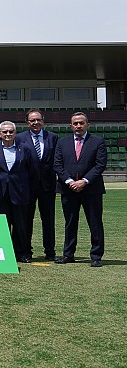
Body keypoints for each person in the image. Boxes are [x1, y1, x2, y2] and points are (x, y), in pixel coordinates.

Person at [53, 112, 106, 267]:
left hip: (91, 190)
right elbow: (58, 165)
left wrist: (84, 181)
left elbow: (100, 165)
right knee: (70, 223)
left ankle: (96, 256)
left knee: (95, 223)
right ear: (71, 126)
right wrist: (70, 181)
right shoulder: (62, 142)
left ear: (87, 124)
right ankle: (68, 254)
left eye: (81, 123)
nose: (78, 126)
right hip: (68, 189)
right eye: (75, 123)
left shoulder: (98, 141)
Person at [0, 121, 38, 263]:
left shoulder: (25, 149)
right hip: (0, 193)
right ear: (0, 134)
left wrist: (29, 190)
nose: (8, 134)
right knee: (3, 225)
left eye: (11, 131)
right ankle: (3, 252)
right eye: (5, 132)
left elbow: (32, 171)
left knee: (21, 225)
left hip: (20, 193)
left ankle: (22, 253)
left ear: (15, 133)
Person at [15, 109, 60, 260]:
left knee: (48, 220)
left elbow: (57, 161)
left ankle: (50, 252)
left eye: (38, 120)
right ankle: (26, 252)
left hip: (48, 186)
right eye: (32, 120)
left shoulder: (53, 137)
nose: (36, 123)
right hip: (27, 187)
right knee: (26, 220)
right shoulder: (19, 138)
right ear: (27, 123)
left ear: (43, 121)